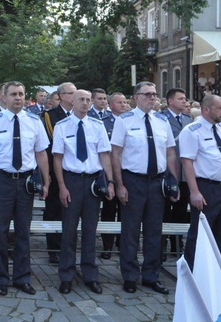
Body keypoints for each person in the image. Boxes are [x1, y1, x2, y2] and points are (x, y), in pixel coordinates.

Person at [0, 81, 50, 296]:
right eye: (14, 94)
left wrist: (46, 181)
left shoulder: (34, 122)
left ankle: (22, 277)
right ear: (4, 98)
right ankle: (0, 278)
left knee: (23, 232)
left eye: (21, 93)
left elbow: (41, 153)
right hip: (2, 181)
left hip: (26, 182)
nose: (18, 97)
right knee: (0, 231)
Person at [110, 81, 179, 295]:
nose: (152, 98)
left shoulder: (162, 121)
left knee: (154, 232)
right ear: (136, 97)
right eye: (148, 94)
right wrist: (119, 184)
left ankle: (151, 275)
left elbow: (169, 153)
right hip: (133, 181)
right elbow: (116, 154)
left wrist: (173, 181)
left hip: (157, 183)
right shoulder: (125, 121)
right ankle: (130, 276)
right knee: (130, 231)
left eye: (154, 94)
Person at [179, 95, 221, 289]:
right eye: (219, 108)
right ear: (206, 110)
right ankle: (192, 280)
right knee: (199, 236)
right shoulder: (192, 131)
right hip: (205, 187)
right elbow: (187, 162)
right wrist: (194, 192)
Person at [52, 89, 113, 295]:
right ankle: (66, 276)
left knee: (89, 231)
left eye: (88, 100)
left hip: (93, 183)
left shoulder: (97, 126)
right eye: (81, 100)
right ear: (72, 101)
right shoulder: (62, 126)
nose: (85, 103)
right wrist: (61, 186)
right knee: (69, 231)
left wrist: (110, 181)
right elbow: (58, 158)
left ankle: (90, 275)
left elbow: (104, 155)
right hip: (71, 181)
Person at [40, 82, 77, 264]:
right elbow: (49, 146)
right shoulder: (50, 116)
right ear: (61, 96)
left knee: (73, 210)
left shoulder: (82, 116)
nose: (74, 97)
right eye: (71, 93)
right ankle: (53, 247)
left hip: (76, 170)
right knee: (53, 210)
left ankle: (68, 245)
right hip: (56, 171)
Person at [160, 88, 192, 258]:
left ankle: (176, 244)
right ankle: (162, 245)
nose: (185, 102)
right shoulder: (160, 119)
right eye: (181, 98)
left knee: (180, 211)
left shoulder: (188, 119)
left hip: (185, 173)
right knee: (164, 211)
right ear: (170, 101)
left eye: (185, 98)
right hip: (167, 172)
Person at [100, 92, 128, 259]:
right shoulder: (104, 123)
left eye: (125, 102)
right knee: (109, 211)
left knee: (126, 210)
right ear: (110, 105)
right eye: (119, 102)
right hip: (109, 171)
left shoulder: (130, 122)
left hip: (127, 170)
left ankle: (122, 242)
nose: (123, 105)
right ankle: (107, 245)